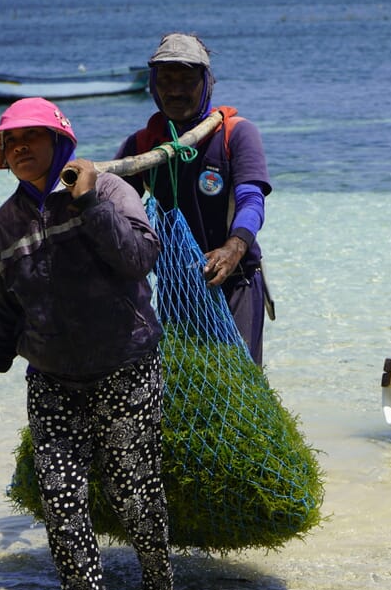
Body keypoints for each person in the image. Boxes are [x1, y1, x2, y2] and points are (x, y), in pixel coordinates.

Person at [0, 97, 172, 590]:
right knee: (60, 497)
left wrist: (86, 206)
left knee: (135, 494)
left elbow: (138, 261)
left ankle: (158, 584)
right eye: (10, 141)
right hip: (53, 379)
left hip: (125, 366)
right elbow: (3, 313)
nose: (19, 148)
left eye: (31, 137)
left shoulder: (108, 191)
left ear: (61, 143)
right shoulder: (4, 226)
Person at [114, 33, 274, 364]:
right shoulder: (143, 145)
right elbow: (115, 213)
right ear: (153, 85)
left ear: (206, 83)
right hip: (176, 289)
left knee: (238, 381)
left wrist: (234, 247)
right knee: (180, 380)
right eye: (166, 80)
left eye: (187, 80)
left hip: (235, 280)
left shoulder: (235, 134)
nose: (175, 91)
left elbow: (251, 201)